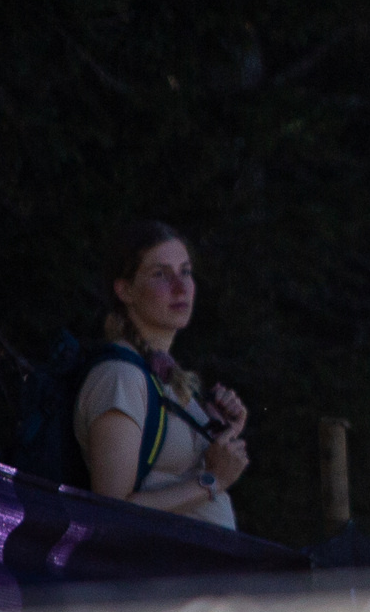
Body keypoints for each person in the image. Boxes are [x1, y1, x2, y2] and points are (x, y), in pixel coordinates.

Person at [74, 221, 249, 530]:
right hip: (150, 576)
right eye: (160, 274)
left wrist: (222, 432)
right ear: (125, 290)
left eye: (185, 271)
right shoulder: (120, 377)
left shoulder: (163, 375)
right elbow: (111, 509)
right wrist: (212, 481)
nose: (180, 287)